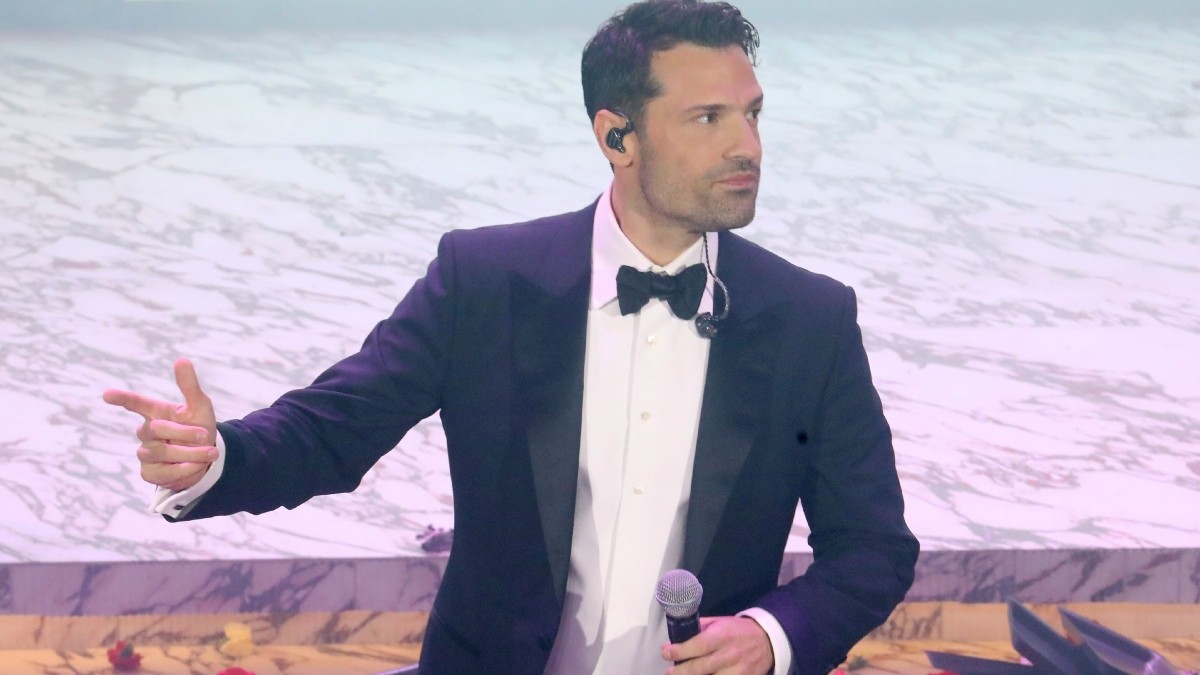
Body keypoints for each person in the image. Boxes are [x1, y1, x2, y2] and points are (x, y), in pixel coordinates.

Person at [103, 1, 918, 673]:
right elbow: (333, 430)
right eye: (708, 118)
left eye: (752, 113)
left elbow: (872, 546)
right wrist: (216, 457)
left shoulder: (810, 318)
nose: (748, 146)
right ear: (617, 137)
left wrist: (772, 636)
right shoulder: (485, 280)